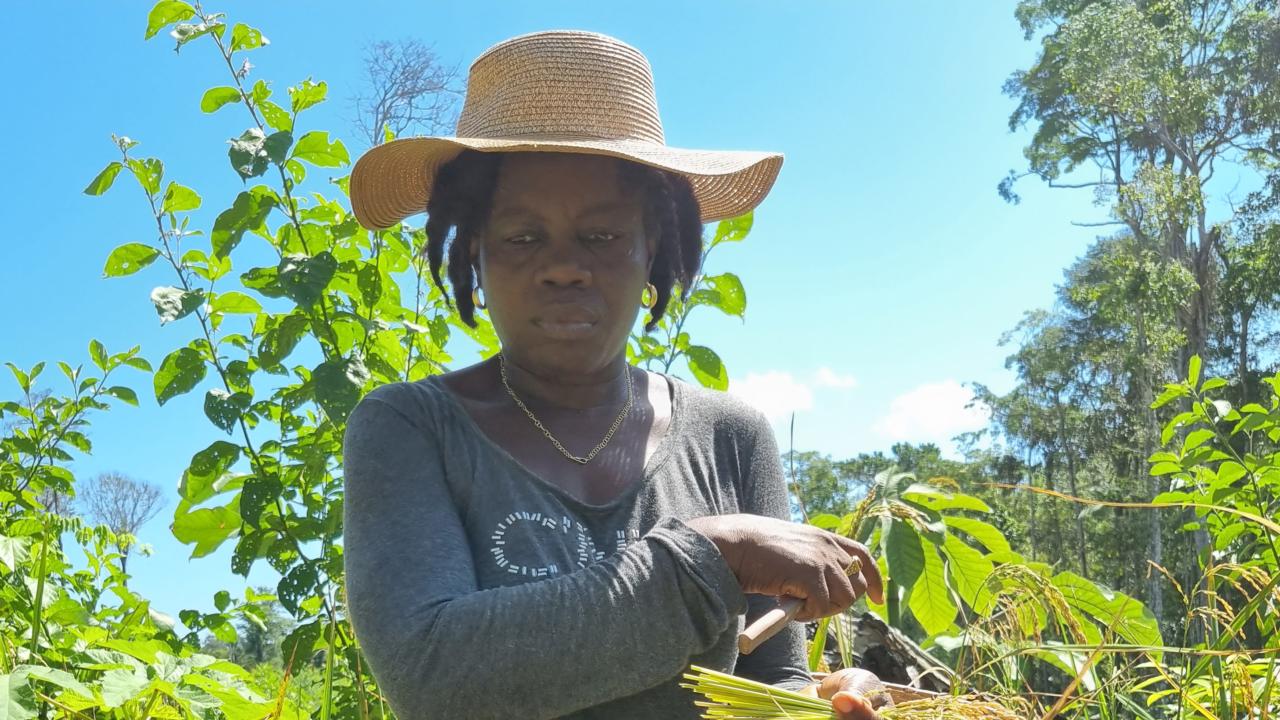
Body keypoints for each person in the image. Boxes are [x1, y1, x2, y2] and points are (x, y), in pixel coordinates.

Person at [341, 29, 891, 720]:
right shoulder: (410, 428)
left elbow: (769, 679)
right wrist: (714, 553)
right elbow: (432, 676)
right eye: (523, 236)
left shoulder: (731, 437)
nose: (565, 265)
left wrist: (820, 703)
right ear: (474, 256)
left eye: (600, 236)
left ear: (652, 251)